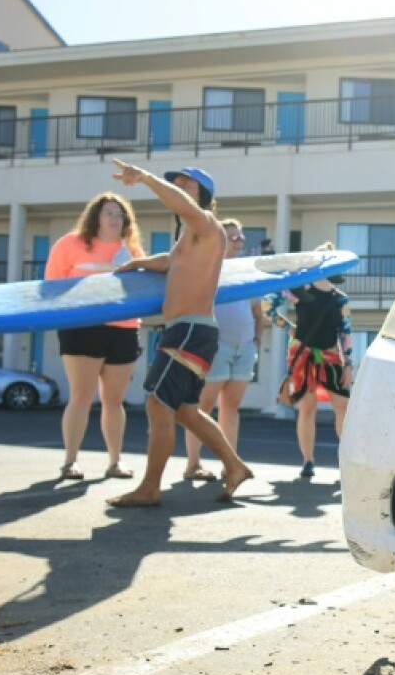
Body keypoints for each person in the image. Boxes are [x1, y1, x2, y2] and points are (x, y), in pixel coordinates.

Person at [106, 160, 254, 506]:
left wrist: (144, 178)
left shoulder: (206, 224)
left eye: (187, 186)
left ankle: (149, 489)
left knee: (158, 404)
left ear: (201, 196)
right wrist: (138, 263)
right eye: (179, 184)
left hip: (189, 331)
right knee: (186, 411)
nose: (180, 190)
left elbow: (181, 205)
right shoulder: (190, 236)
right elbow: (170, 262)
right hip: (191, 332)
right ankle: (234, 466)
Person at [45, 192, 145, 481]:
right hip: (82, 327)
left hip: (124, 329)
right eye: (109, 213)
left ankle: (115, 462)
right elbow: (51, 286)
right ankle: (70, 462)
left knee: (114, 401)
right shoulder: (70, 244)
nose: (116, 219)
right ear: (96, 217)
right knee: (81, 396)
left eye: (120, 214)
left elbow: (140, 288)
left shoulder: (132, 249)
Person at [182, 219, 263, 481]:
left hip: (244, 347)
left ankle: (230, 463)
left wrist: (255, 339)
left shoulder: (248, 271)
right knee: (201, 407)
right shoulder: (209, 268)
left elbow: (256, 312)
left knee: (231, 408)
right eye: (232, 237)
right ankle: (193, 464)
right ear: (219, 240)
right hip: (215, 346)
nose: (239, 241)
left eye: (240, 237)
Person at [265, 242, 354, 478]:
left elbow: (345, 332)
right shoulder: (298, 290)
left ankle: (346, 462)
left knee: (342, 406)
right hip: (302, 353)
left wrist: (349, 364)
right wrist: (289, 328)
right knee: (307, 407)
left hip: (330, 354)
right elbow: (268, 305)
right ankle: (308, 461)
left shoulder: (340, 299)